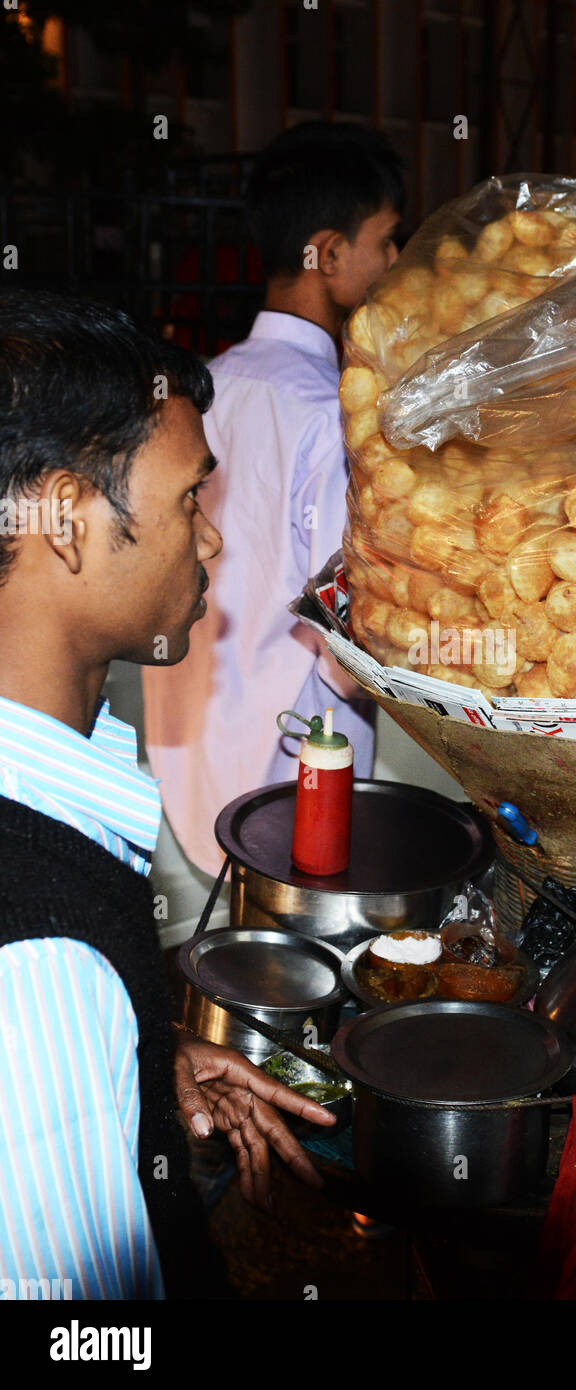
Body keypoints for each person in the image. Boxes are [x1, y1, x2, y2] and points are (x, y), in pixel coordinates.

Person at [0, 288, 337, 1300]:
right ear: (66, 519)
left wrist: (133, 1058)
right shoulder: (40, 960)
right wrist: (78, 1024)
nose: (214, 540)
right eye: (191, 497)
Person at [142, 121, 404, 876]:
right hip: (296, 792)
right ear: (325, 252)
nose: (392, 261)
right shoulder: (331, 415)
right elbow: (351, 643)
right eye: (384, 241)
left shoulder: (201, 387)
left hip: (185, 782)